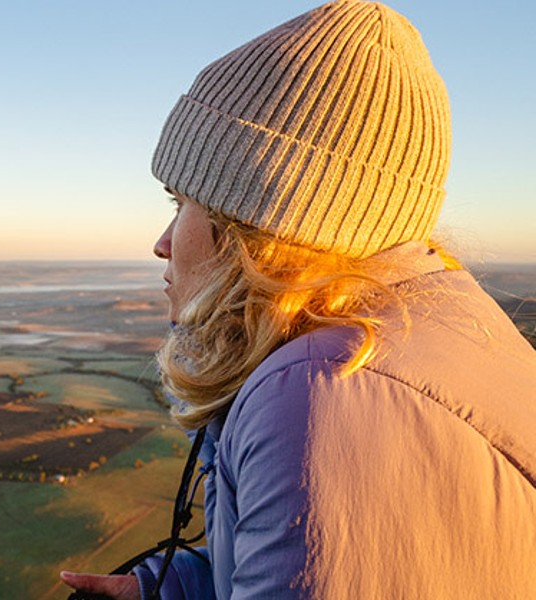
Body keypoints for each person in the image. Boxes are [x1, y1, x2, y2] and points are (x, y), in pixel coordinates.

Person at [60, 0, 536, 598]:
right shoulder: (429, 330)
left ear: (251, 226)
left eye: (180, 204)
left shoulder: (328, 391)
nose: (162, 244)